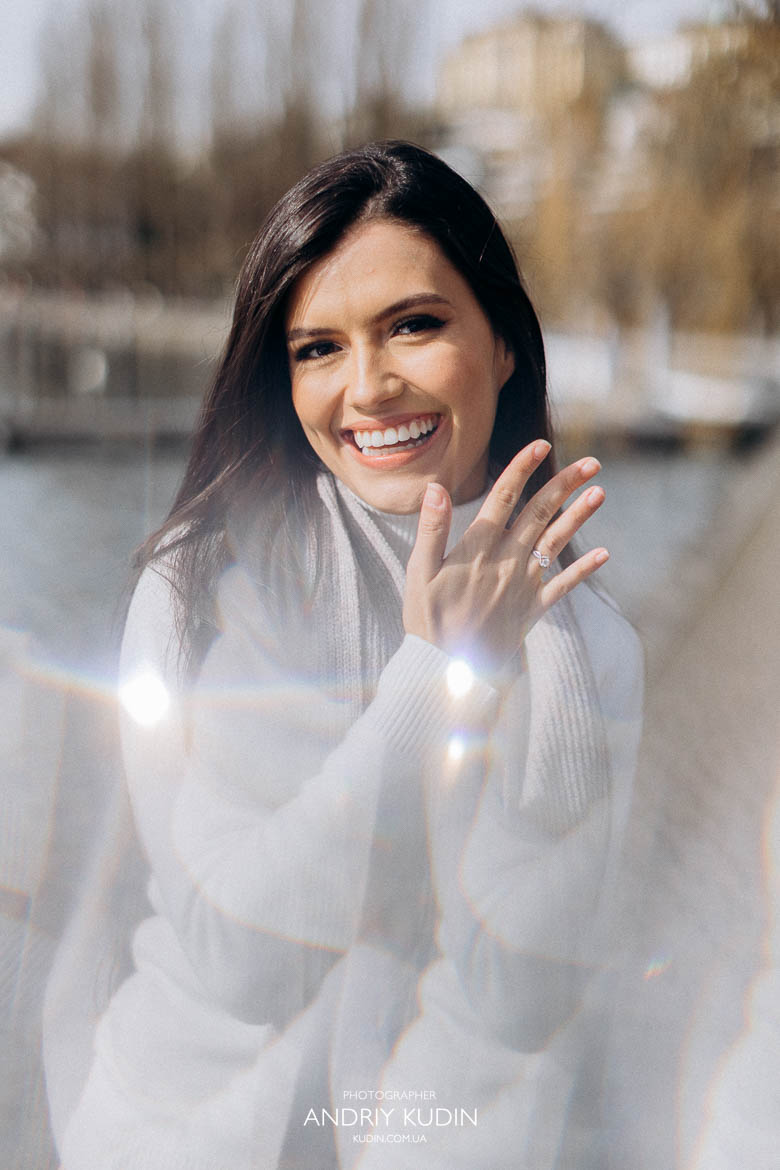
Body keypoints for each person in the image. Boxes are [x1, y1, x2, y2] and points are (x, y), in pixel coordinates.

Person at [47, 141, 643, 1169]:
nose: (368, 387)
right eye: (318, 348)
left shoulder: (592, 649)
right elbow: (240, 957)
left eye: (414, 325)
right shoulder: (198, 591)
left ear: (505, 342)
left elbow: (523, 994)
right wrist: (438, 676)